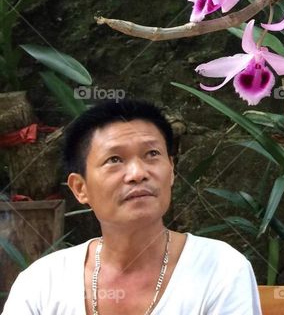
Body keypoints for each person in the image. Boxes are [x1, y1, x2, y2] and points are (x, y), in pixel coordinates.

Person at [2, 100, 263, 314]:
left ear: (171, 170)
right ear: (80, 188)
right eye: (114, 159)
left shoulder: (221, 269)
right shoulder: (42, 283)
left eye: (152, 154)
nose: (138, 173)